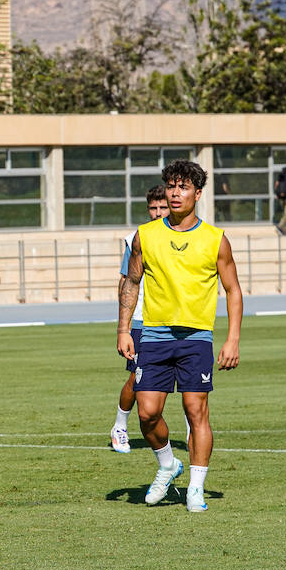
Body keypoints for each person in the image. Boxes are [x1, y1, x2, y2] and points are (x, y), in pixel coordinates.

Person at [118, 160, 242, 512]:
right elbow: (131, 282)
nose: (175, 193)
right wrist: (123, 329)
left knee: (195, 410)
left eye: (183, 187)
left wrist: (232, 339)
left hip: (196, 338)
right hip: (154, 336)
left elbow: (233, 290)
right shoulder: (145, 235)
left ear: (197, 194)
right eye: (171, 186)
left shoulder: (216, 240)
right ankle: (169, 465)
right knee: (147, 413)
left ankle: (196, 488)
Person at [109, 185, 169, 453]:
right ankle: (120, 425)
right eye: (153, 208)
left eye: (163, 207)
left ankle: (193, 434)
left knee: (187, 386)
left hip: (176, 319)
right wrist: (124, 325)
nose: (157, 213)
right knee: (138, 378)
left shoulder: (186, 236)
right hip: (144, 320)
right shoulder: (137, 237)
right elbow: (125, 281)